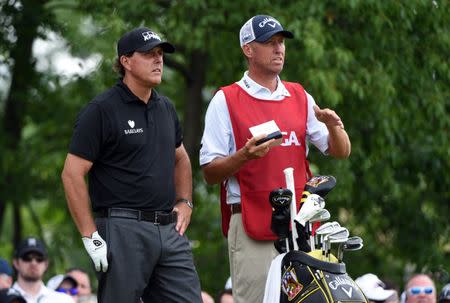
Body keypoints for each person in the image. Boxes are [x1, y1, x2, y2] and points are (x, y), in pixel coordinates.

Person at [200, 14, 351, 303]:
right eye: (269, 43)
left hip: (301, 225)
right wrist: (245, 155)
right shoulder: (226, 99)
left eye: (281, 42)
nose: (279, 49)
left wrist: (333, 124)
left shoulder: (299, 95)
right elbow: (209, 172)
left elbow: (340, 151)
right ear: (248, 49)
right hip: (250, 224)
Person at [61, 26, 202, 303]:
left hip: (168, 229)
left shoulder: (166, 108)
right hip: (122, 228)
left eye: (160, 54)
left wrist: (185, 201)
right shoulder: (101, 110)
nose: (158, 60)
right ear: (125, 61)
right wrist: (90, 235)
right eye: (149, 54)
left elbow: (181, 157)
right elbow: (71, 174)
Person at [11, 237, 75, 303]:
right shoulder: (3, 299)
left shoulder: (63, 300)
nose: (33, 263)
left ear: (46, 264)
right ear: (16, 263)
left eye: (39, 258)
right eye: (27, 258)